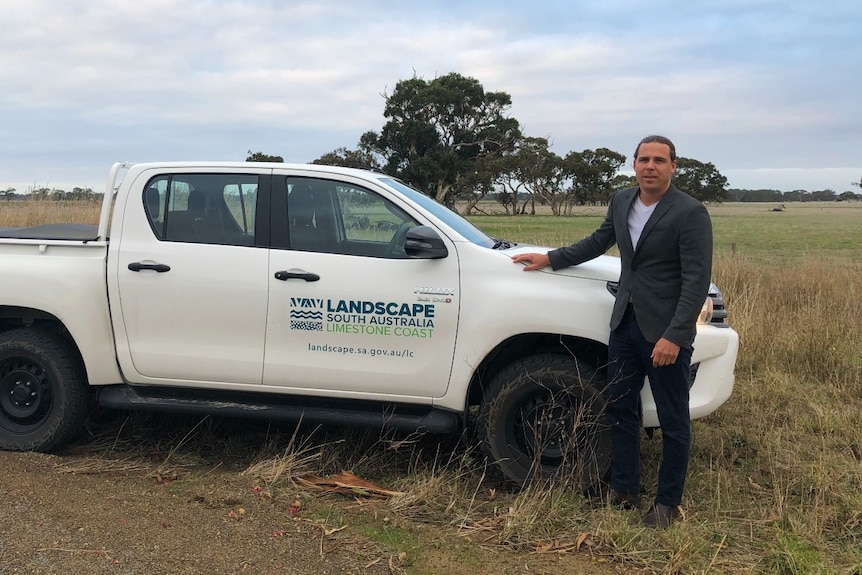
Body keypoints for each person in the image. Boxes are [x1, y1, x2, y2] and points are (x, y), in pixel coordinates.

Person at [512, 135, 713, 528]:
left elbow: (696, 281)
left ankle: (667, 503)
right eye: (643, 159)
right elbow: (598, 242)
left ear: (674, 166)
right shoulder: (623, 200)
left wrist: (675, 335)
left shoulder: (691, 213)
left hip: (665, 331)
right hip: (625, 324)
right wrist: (550, 258)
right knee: (621, 408)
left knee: (673, 419)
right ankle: (623, 490)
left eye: (659, 160)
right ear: (634, 164)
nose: (650, 166)